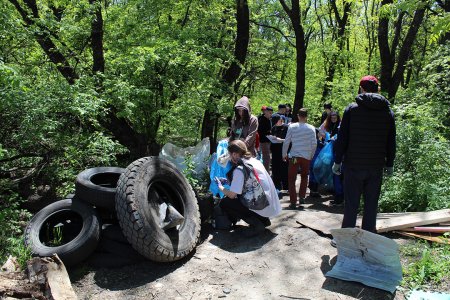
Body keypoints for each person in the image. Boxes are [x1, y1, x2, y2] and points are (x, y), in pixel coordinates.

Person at [332, 75, 396, 237]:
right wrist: (390, 163)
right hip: (375, 166)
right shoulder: (387, 112)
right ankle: (368, 238)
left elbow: (342, 138)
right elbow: (391, 140)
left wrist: (338, 161)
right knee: (371, 204)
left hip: (353, 165)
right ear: (377, 89)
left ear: (361, 88)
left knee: (351, 203)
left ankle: (346, 238)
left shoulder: (352, 109)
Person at [216, 140, 281, 237]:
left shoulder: (240, 169)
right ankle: (263, 220)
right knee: (239, 198)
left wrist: (220, 187)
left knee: (226, 202)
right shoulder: (254, 161)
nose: (229, 157)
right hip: (269, 203)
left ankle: (256, 224)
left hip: (261, 203)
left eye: (229, 154)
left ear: (234, 154)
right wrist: (228, 181)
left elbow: (232, 195)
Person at [282, 108, 317, 209]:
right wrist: (311, 155)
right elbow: (314, 144)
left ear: (298, 116)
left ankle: (293, 202)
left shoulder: (292, 127)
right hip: (306, 157)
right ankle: (302, 197)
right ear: (306, 117)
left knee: (292, 179)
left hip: (294, 156)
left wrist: (284, 154)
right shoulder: (311, 128)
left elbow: (287, 141)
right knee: (305, 177)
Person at [269, 113, 289, 191]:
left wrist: (281, 140)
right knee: (275, 169)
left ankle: (286, 186)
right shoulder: (274, 128)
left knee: (284, 168)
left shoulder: (287, 127)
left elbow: (290, 140)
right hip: (275, 150)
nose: (274, 124)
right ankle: (276, 186)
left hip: (284, 150)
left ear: (280, 120)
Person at [257, 106, 273, 171]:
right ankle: (266, 172)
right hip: (262, 141)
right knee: (266, 158)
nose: (270, 114)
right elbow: (260, 131)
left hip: (267, 140)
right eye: (269, 113)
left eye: (271, 113)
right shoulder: (261, 119)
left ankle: (265, 171)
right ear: (265, 112)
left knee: (267, 157)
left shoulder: (269, 120)